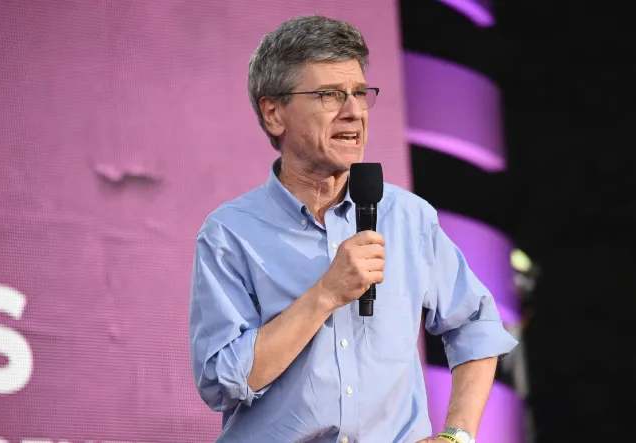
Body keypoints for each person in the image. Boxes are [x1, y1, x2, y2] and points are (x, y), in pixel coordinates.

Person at [189, 15, 518, 443]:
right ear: (273, 114)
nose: (354, 112)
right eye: (329, 95)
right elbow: (221, 381)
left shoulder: (408, 217)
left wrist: (457, 435)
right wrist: (326, 294)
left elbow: (476, 325)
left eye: (360, 94)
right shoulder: (230, 233)